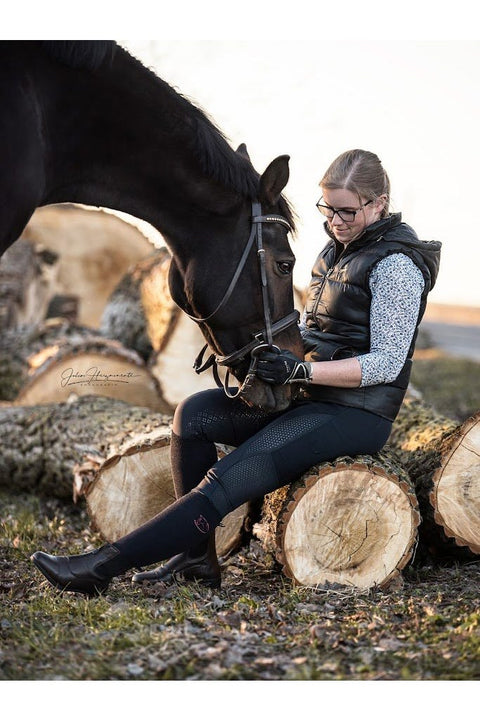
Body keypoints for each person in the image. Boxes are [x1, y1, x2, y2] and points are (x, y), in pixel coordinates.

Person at [31, 149, 441, 595]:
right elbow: (316, 330)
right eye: (328, 208)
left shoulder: (397, 265)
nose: (335, 221)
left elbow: (386, 362)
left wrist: (300, 372)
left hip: (355, 413)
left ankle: (100, 568)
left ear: (379, 204)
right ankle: (196, 560)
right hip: (311, 394)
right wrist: (259, 355)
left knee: (227, 480)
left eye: (347, 211)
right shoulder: (335, 250)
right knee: (194, 416)